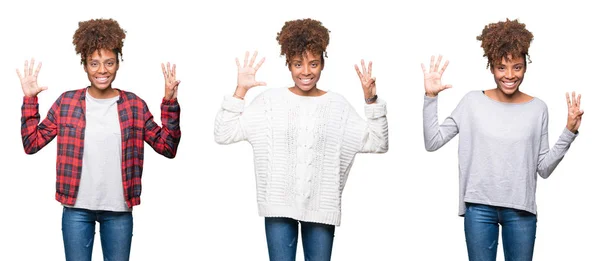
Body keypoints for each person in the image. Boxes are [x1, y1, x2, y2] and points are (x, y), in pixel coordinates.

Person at [214, 18, 388, 260]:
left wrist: (371, 101)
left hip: (320, 209)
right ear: (288, 64)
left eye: (313, 63)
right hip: (278, 207)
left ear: (322, 64)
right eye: (298, 64)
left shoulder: (337, 105)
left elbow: (378, 143)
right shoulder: (269, 102)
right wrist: (240, 91)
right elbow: (224, 133)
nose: (306, 72)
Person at [18, 18, 181, 261]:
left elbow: (168, 147)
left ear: (118, 64)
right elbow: (31, 143)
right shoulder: (67, 103)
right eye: (94, 63)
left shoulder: (134, 105)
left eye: (109, 63)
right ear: (84, 65)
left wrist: (169, 102)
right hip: (76, 209)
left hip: (118, 210)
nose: (102, 70)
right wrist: (30, 100)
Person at [421, 18, 583, 261]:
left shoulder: (538, 108)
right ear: (491, 67)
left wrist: (569, 132)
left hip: (521, 209)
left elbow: (544, 168)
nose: (509, 75)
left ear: (525, 67)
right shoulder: (472, 102)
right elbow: (432, 141)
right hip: (479, 207)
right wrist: (430, 97)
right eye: (501, 67)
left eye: (517, 67)